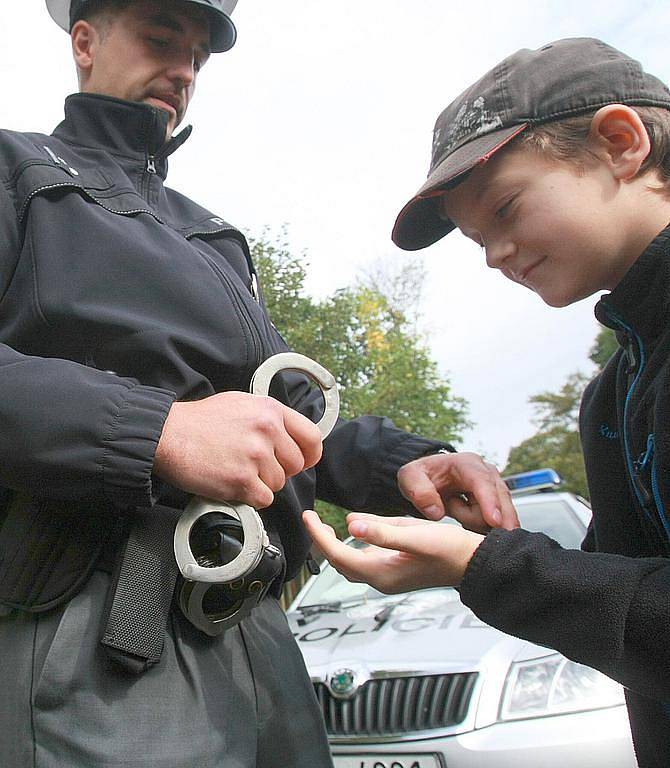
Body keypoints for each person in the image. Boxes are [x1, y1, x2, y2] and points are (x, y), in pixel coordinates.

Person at [0, 2, 516, 766]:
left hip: (253, 629)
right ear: (84, 41)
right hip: (89, 637)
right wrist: (161, 432)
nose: (182, 70)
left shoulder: (207, 233)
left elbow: (293, 408)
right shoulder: (16, 173)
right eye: (159, 39)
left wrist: (405, 465)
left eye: (198, 57)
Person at [304, 37, 670, 767]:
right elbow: (627, 616)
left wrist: (480, 566)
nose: (495, 255)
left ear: (621, 143)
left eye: (506, 210)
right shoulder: (613, 392)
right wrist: (487, 549)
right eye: (476, 240)